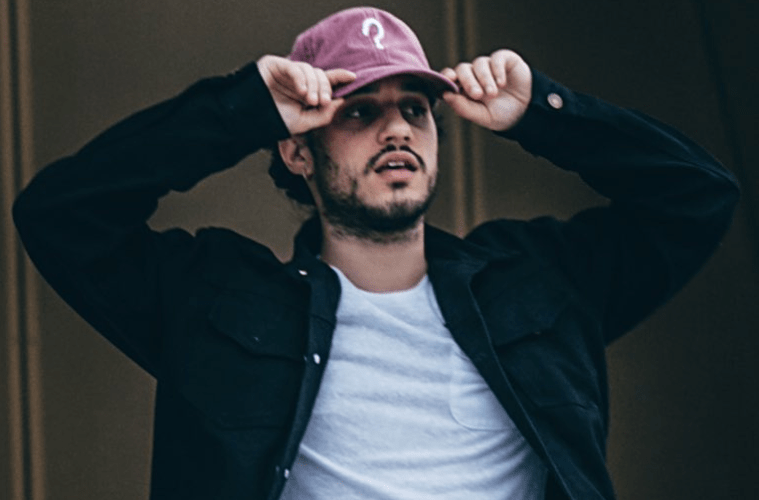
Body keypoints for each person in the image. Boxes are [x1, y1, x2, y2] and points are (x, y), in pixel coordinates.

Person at [12, 6, 738, 500]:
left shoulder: (540, 279)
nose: (397, 129)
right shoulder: (215, 302)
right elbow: (63, 215)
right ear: (296, 151)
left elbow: (696, 197)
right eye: (360, 111)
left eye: (414, 109)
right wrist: (239, 109)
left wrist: (545, 112)